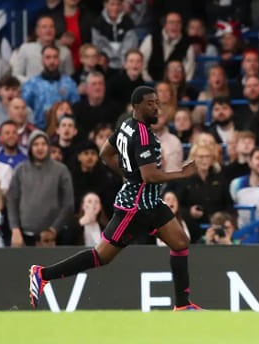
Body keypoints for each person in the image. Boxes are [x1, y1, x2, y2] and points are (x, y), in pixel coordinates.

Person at [28, 86, 204, 310]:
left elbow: (105, 154)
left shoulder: (125, 125)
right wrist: (182, 172)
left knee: (180, 242)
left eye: (157, 103)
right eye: (150, 103)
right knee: (102, 256)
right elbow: (150, 177)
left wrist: (128, 175)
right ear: (137, 106)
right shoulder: (142, 135)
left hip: (150, 202)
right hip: (135, 207)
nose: (156, 108)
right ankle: (42, 274)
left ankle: (182, 306)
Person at [9, 130, 74, 248]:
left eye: (43, 144)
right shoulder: (20, 170)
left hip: (54, 236)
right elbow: (12, 200)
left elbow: (68, 204)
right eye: (36, 144)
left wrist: (54, 229)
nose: (40, 148)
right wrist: (15, 229)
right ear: (30, 148)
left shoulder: (61, 170)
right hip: (25, 236)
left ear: (48, 147)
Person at [21, 45, 80, 129]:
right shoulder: (31, 84)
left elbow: (75, 108)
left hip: (64, 130)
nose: (52, 61)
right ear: (42, 60)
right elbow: (25, 108)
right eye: (48, 57)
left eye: (55, 57)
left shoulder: (69, 83)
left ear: (59, 60)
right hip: (38, 130)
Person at [13, 16, 73, 83]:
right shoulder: (26, 48)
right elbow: (16, 75)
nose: (48, 30)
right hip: (32, 90)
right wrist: (33, 83)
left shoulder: (65, 51)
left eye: (51, 26)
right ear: (37, 31)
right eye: (44, 27)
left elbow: (69, 77)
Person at [139, 12, 193, 83]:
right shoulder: (151, 39)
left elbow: (188, 73)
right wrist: (150, 83)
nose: (175, 25)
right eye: (171, 22)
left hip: (175, 87)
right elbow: (141, 64)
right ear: (165, 25)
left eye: (178, 22)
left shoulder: (187, 45)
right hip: (150, 85)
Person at [91, 0, 139, 70]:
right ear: (106, 5)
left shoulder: (128, 23)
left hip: (124, 65)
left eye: (118, 4)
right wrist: (107, 58)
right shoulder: (97, 23)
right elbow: (97, 46)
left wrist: (123, 63)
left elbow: (131, 46)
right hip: (105, 64)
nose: (115, 8)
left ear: (122, 5)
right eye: (112, 4)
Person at [229, 147, 259, 228]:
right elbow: (232, 212)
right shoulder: (236, 184)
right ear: (250, 163)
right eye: (258, 158)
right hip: (241, 235)